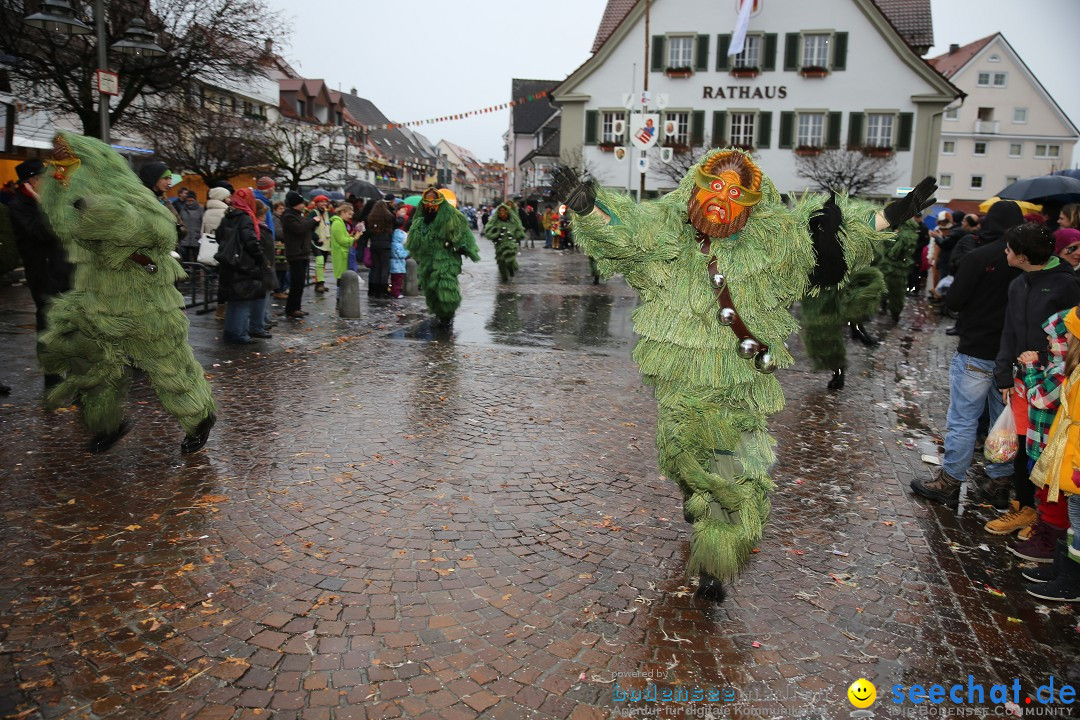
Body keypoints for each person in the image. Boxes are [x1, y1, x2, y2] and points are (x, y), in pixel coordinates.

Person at [554, 151, 935, 601]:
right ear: (697, 187)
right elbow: (624, 232)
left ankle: (717, 554)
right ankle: (698, 500)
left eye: (736, 193)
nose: (722, 200)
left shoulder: (774, 240)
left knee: (733, 464)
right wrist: (587, 207)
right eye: (715, 188)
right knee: (682, 454)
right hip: (681, 378)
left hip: (740, 382)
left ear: (752, 202)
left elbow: (832, 236)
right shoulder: (664, 229)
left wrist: (892, 215)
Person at [38, 131, 216, 454]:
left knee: (167, 364)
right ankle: (105, 423)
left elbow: (161, 232)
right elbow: (67, 228)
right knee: (86, 357)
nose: (62, 175)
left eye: (70, 166)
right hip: (97, 296)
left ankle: (199, 416)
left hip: (144, 301)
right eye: (59, 168)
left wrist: (104, 216)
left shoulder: (130, 195)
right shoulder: (65, 198)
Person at [910, 200, 1025, 508]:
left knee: (963, 419)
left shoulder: (979, 257)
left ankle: (950, 480)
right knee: (1003, 421)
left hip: (977, 349)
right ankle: (998, 480)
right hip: (1012, 355)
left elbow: (955, 301)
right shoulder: (1029, 261)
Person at [986, 223, 1080, 535]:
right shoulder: (1018, 283)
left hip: (1052, 381)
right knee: (1023, 443)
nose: (1005, 252)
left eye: (1009, 249)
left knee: (1045, 448)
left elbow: (1068, 339)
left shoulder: (1066, 284)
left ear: (1023, 256)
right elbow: (1009, 331)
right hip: (1020, 377)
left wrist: (1043, 360)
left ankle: (1045, 519)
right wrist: (1003, 372)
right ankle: (1025, 506)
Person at [1024, 306, 1080, 601]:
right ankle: (1065, 569)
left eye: (1069, 330)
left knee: (1076, 519)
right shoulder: (1073, 368)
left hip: (1074, 458)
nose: (1063, 336)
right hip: (1066, 451)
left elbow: (1044, 400)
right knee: (1074, 516)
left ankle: (1071, 581)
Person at [1010, 310, 1073, 565]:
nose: (1047, 341)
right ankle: (1043, 535)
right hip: (1041, 443)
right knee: (1042, 492)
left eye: (1052, 337)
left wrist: (1031, 367)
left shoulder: (1063, 370)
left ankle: (1049, 544)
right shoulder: (1057, 365)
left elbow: (1039, 398)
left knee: (1051, 496)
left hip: (1051, 446)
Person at [8, 158, 72, 383]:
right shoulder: (19, 206)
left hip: (64, 270)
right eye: (45, 178)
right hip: (43, 274)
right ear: (32, 182)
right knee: (48, 325)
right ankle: (52, 380)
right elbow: (41, 233)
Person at [406, 187, 481, 324]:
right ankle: (439, 313)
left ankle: (447, 314)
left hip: (447, 257)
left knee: (446, 286)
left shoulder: (453, 216)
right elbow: (415, 239)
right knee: (431, 287)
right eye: (427, 201)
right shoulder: (421, 219)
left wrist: (462, 247)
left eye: (433, 201)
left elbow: (463, 234)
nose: (430, 204)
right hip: (429, 258)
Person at [217, 188, 270, 344]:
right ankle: (239, 334)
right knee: (242, 301)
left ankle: (230, 332)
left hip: (229, 263)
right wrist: (261, 258)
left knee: (233, 301)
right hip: (244, 264)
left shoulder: (228, 215)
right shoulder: (246, 217)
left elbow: (219, 235)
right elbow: (251, 241)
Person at [282, 191, 317, 319]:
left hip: (302, 252)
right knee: (296, 282)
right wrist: (312, 221)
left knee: (300, 282)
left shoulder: (297, 215)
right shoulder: (289, 216)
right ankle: (292, 308)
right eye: (301, 203)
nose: (303, 205)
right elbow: (299, 229)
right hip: (296, 253)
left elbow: (304, 228)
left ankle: (296, 307)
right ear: (295, 204)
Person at [138, 162, 185, 245]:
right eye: (166, 178)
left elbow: (182, 230)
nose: (170, 183)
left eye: (170, 178)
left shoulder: (164, 201)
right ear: (153, 178)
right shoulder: (139, 202)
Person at [361, 199, 395, 298]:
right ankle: (383, 290)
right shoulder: (389, 217)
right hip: (385, 244)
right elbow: (397, 222)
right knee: (385, 268)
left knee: (376, 267)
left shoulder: (370, 218)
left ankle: (374, 290)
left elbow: (367, 233)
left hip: (374, 244)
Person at [483, 201, 524, 282]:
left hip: (510, 242)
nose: (502, 214)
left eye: (504, 212)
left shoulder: (513, 221)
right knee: (501, 260)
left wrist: (518, 235)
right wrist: (494, 234)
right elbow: (488, 230)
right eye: (500, 213)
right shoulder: (496, 222)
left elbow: (519, 229)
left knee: (509, 257)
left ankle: (511, 267)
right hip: (499, 244)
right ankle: (504, 277)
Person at [329, 201, 359, 294]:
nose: (350, 217)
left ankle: (341, 297)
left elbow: (343, 237)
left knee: (342, 277)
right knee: (341, 277)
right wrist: (354, 239)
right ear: (343, 212)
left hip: (342, 253)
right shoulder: (337, 223)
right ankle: (340, 298)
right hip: (340, 254)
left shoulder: (340, 222)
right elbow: (342, 240)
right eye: (349, 214)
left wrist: (352, 235)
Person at [309, 195, 333, 293]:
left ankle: (318, 283)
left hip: (326, 243)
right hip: (316, 242)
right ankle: (320, 284)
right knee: (319, 261)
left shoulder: (328, 214)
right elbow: (308, 228)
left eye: (325, 202)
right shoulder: (313, 213)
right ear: (317, 203)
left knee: (322, 264)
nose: (324, 204)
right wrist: (316, 237)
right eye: (321, 202)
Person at [176, 192, 204, 263]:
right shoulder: (182, 209)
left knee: (197, 260)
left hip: (196, 238)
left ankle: (197, 273)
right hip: (185, 238)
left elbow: (203, 223)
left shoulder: (200, 209)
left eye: (192, 200)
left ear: (195, 200)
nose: (190, 202)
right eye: (188, 201)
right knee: (185, 260)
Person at [389, 216, 410, 298]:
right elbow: (401, 254)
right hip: (397, 266)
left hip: (396, 265)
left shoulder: (394, 243)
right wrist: (407, 252)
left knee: (394, 280)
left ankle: (394, 291)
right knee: (397, 280)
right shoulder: (398, 245)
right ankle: (396, 293)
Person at [272, 201, 289, 298]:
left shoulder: (281, 219)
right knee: (279, 269)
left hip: (282, 247)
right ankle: (278, 291)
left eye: (283, 209)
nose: (282, 211)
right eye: (280, 209)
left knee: (283, 269)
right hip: (279, 247)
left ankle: (281, 290)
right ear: (275, 210)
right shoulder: (276, 219)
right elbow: (278, 232)